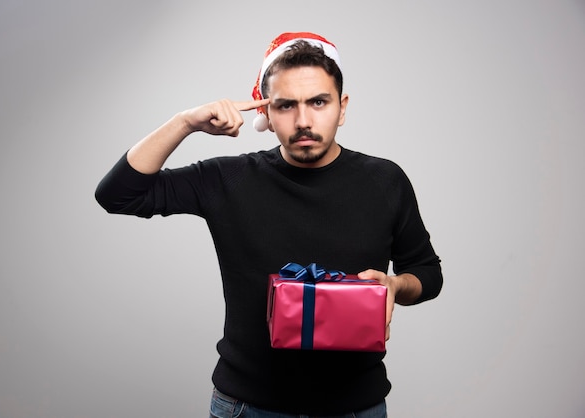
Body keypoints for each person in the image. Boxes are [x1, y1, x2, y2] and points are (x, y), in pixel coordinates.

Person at [95, 31, 442, 418]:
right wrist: (184, 122)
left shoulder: (385, 180)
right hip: (247, 405)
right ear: (264, 113)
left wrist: (395, 285)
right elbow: (117, 194)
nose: (303, 120)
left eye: (319, 102)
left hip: (356, 406)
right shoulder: (228, 178)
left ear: (342, 108)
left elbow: (427, 273)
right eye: (285, 105)